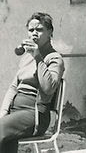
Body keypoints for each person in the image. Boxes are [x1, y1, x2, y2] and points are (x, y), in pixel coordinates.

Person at [0, 12, 64, 153]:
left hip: (34, 115)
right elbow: (13, 87)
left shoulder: (54, 58)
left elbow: (48, 89)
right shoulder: (26, 57)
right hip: (15, 113)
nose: (34, 34)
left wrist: (38, 57)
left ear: (50, 32)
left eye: (39, 30)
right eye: (31, 30)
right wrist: (3, 112)